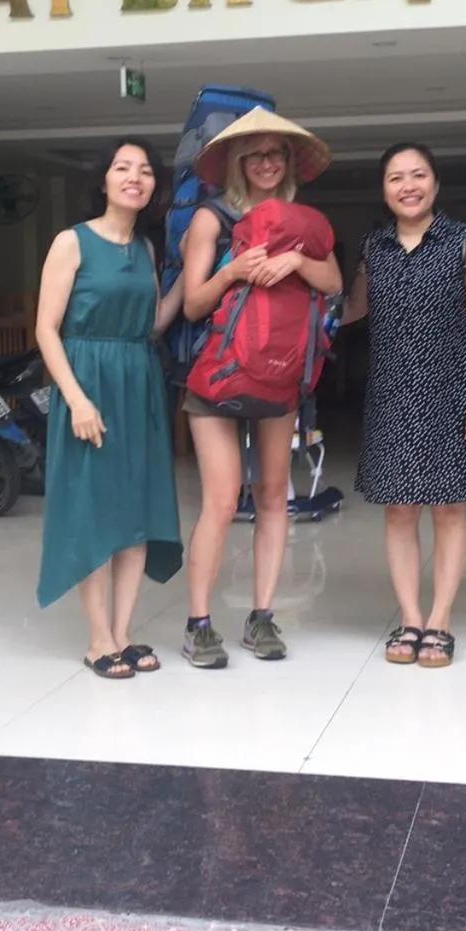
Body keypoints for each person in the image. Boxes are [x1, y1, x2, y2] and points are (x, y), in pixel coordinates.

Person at [179, 108, 342, 669]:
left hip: (280, 372)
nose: (268, 163)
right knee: (223, 501)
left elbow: (335, 282)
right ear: (237, 164)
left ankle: (262, 617)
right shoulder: (212, 219)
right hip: (217, 372)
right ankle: (199, 624)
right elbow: (194, 302)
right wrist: (233, 271)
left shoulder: (303, 223)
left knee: (275, 496)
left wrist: (298, 257)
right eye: (256, 155)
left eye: (277, 154)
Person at [342, 142, 466, 668]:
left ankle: (440, 621)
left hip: (453, 388)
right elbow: (352, 311)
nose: (407, 186)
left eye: (417, 175)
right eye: (395, 178)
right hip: (391, 390)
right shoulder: (373, 248)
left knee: (449, 508)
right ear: (383, 189)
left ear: (435, 183)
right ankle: (410, 617)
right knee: (399, 509)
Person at [35, 139, 185, 680]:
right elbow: (45, 330)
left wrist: (197, 272)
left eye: (145, 171)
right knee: (92, 509)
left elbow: (149, 326)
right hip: (88, 383)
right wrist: (75, 398)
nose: (134, 178)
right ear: (103, 181)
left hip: (137, 380)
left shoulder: (146, 250)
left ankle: (124, 632)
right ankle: (97, 638)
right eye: (123, 168)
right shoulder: (70, 243)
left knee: (136, 511)